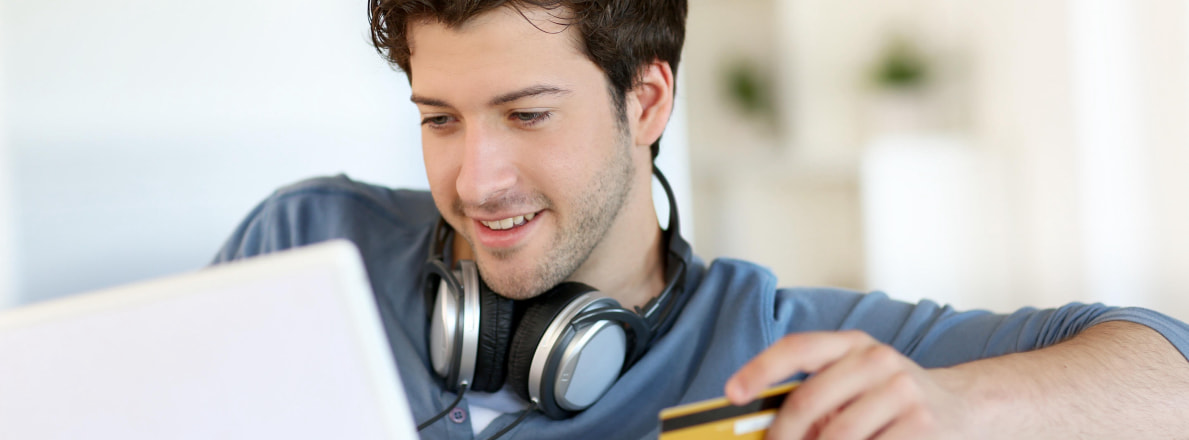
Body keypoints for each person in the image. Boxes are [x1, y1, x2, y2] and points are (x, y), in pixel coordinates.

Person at [213, 1, 1189, 439]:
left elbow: (1169, 373)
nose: (476, 180)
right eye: (439, 119)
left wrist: (963, 407)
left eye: (526, 114)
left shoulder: (772, 343)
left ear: (646, 101)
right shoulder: (306, 239)